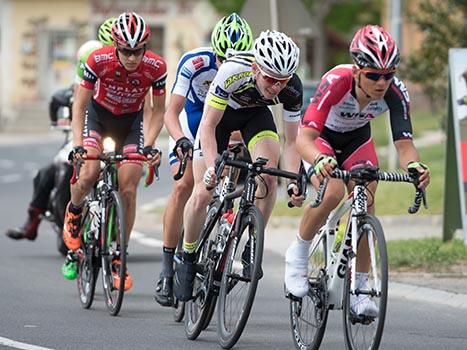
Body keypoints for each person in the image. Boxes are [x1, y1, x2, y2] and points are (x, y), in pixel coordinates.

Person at [284, 25, 431, 317]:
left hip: (356, 140)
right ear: (356, 71)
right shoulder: (336, 81)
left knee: (366, 198)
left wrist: (415, 165)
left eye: (388, 75)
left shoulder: (396, 92)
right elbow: (303, 139)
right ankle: (297, 255)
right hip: (320, 138)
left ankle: (360, 290)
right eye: (374, 75)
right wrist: (318, 160)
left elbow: (404, 146)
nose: (382, 83)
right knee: (333, 191)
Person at [173, 30, 305, 302]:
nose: (277, 87)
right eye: (270, 78)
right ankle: (186, 255)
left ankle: (252, 244)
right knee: (203, 192)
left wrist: (293, 179)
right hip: (220, 121)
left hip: (255, 117)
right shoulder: (232, 71)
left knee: (268, 178)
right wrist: (212, 167)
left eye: (283, 80)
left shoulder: (292, 89)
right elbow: (208, 127)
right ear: (256, 68)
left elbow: (293, 142)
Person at [154, 13, 254, 307]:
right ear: (215, 51)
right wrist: (181, 139)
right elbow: (171, 113)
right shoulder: (195, 62)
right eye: (223, 59)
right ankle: (167, 268)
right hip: (193, 121)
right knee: (185, 185)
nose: (228, 66)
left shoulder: (253, 68)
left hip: (225, 125)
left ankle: (220, 243)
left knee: (229, 179)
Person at [64, 12, 166, 291]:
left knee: (129, 188)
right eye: (126, 51)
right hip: (98, 118)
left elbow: (158, 112)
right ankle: (73, 212)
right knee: (89, 174)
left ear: (145, 47)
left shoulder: (156, 67)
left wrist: (150, 144)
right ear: (115, 46)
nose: (132, 58)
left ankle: (120, 255)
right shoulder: (98, 61)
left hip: (130, 125)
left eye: (137, 51)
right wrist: (77, 144)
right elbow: (80, 107)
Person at [4, 18, 115, 242]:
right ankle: (33, 221)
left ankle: (114, 228)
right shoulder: (84, 78)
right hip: (86, 130)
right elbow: (71, 102)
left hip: (113, 131)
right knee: (51, 170)